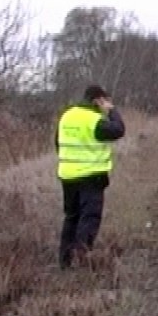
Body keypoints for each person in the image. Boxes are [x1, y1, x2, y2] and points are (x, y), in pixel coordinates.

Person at [56, 85, 126, 270]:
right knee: (89, 217)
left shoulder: (67, 115)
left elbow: (58, 143)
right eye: (105, 101)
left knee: (71, 217)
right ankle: (82, 258)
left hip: (68, 176)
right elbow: (118, 130)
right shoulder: (93, 119)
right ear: (98, 100)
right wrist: (112, 111)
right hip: (91, 176)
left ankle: (64, 261)